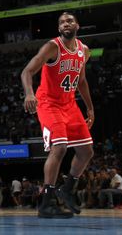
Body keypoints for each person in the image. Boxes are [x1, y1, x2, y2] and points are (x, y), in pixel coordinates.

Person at [21, 12, 94, 218]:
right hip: (48, 104)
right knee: (59, 147)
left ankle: (67, 190)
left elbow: (81, 81)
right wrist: (29, 93)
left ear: (77, 25)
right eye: (61, 22)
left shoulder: (84, 51)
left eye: (69, 21)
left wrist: (89, 108)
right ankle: (46, 203)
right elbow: (27, 71)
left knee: (86, 151)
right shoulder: (52, 47)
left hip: (70, 105)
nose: (65, 24)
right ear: (59, 28)